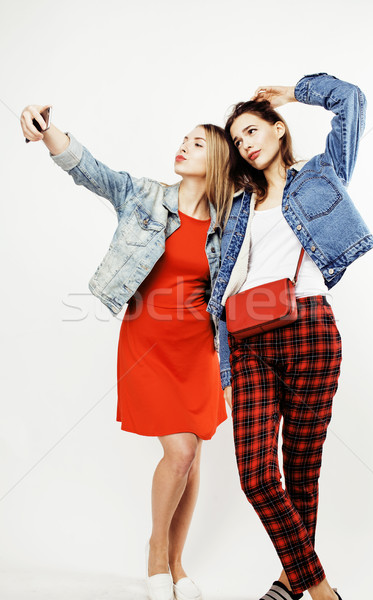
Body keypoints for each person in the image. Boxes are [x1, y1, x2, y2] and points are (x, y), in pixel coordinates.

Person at [20, 107, 233, 600]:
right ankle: (156, 553)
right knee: (178, 452)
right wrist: (50, 130)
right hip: (149, 344)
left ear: (218, 160)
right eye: (184, 139)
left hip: (199, 349)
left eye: (196, 143)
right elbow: (92, 172)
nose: (182, 146)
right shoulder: (145, 196)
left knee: (192, 458)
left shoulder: (230, 221)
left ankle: (177, 566)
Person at [207, 73, 373, 600]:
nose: (246, 143)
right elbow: (219, 293)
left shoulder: (323, 175)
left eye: (253, 131)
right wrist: (227, 370)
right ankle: (321, 589)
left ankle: (288, 582)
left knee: (302, 471)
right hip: (251, 340)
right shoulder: (236, 205)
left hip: (311, 331)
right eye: (238, 140)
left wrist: (291, 91)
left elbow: (352, 101)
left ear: (279, 130)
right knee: (257, 476)